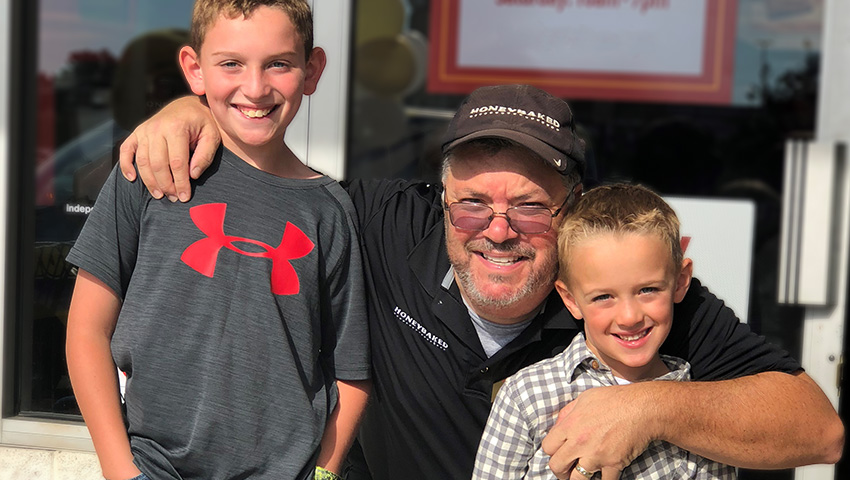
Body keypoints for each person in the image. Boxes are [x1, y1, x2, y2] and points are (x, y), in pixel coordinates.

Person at [116, 84, 843, 480]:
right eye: (473, 203)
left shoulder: (622, 297)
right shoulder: (376, 225)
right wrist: (190, 113)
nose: (498, 229)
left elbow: (819, 429)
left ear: (573, 215)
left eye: (530, 206)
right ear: (440, 201)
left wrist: (648, 408)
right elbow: (267, 188)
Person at [65, 1, 370, 479]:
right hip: (152, 467)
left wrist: (325, 475)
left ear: (312, 72)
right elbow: (87, 330)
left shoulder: (329, 212)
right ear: (194, 69)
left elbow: (351, 370)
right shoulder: (150, 170)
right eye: (231, 63)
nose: (255, 87)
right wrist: (120, 471)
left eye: (279, 64)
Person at [473, 183, 735, 479]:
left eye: (648, 290)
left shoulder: (700, 407)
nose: (629, 316)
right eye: (603, 297)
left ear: (680, 281)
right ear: (570, 299)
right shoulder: (527, 396)